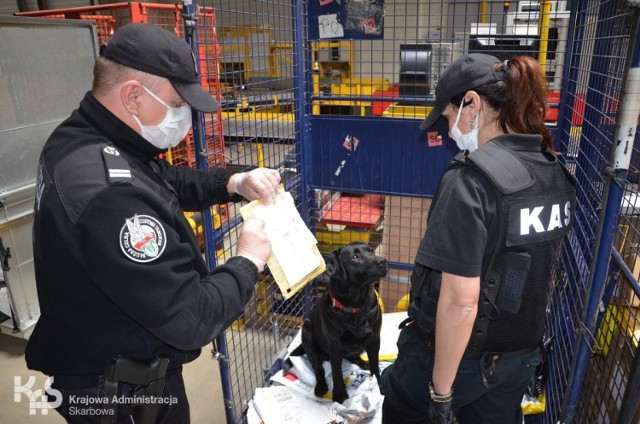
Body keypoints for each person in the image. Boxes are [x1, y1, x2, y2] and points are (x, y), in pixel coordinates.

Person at [25, 23, 280, 424]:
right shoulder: (110, 195)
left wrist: (232, 182)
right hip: (119, 395)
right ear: (132, 96)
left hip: (113, 367)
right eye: (178, 103)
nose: (184, 116)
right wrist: (247, 259)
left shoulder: (84, 138)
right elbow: (191, 317)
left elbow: (160, 181)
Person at [380, 53, 577, 424]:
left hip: (457, 363)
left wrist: (440, 394)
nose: (450, 128)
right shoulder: (554, 173)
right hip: (516, 363)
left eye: (450, 115)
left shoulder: (470, 181)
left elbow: (461, 304)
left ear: (471, 103)